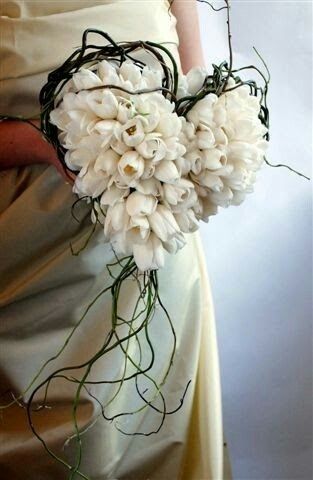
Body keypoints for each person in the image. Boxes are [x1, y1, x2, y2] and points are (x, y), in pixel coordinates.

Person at [0, 1, 232, 478]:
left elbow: (195, 89)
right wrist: (42, 142)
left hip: (152, 259)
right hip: (23, 271)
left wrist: (211, 146)